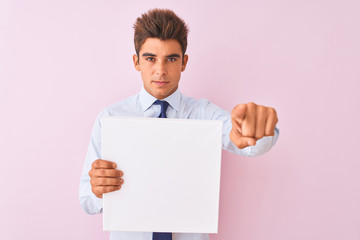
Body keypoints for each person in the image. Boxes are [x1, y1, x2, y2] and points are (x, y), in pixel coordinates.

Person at [79, 8, 279, 240]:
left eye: (171, 58)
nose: (161, 70)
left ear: (184, 62)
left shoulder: (204, 114)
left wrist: (257, 132)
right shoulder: (110, 118)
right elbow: (86, 200)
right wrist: (98, 191)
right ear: (136, 62)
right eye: (150, 58)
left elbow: (242, 139)